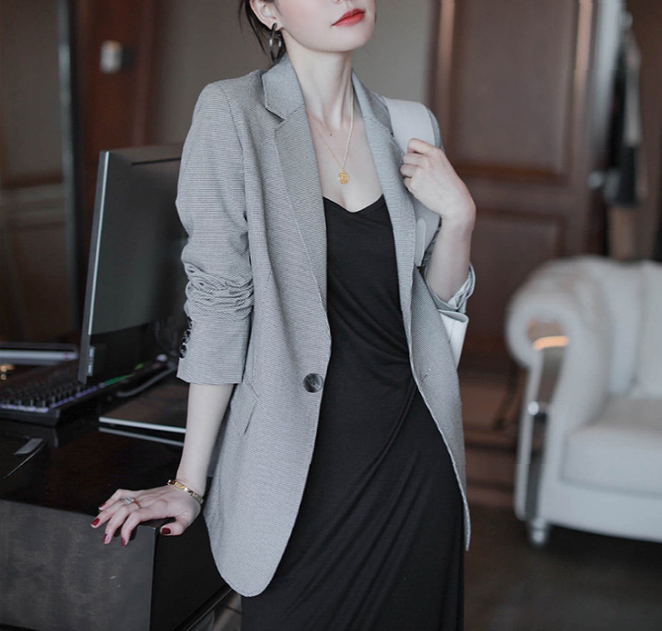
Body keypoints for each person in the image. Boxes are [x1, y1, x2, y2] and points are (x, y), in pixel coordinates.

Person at [90, 0, 476, 628]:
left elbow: (429, 310)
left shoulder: (409, 125)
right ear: (268, 9)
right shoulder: (232, 113)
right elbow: (219, 301)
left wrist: (459, 219)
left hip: (415, 460)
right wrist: (188, 483)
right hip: (296, 475)